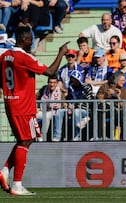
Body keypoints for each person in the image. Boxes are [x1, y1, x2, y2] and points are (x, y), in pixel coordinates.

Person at [0, 26, 68, 195]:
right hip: (23, 105)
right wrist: (61, 52)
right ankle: (16, 184)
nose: (32, 42)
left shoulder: (4, 56)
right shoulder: (24, 57)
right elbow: (51, 72)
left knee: (26, 139)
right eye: (30, 39)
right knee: (26, 141)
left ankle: (5, 171)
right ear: (23, 39)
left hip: (11, 102)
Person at [35, 75, 64, 141]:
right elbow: (35, 97)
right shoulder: (44, 88)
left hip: (55, 111)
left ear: (57, 83)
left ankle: (42, 136)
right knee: (32, 115)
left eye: (54, 82)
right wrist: (36, 107)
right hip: (43, 110)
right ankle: (31, 136)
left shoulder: (60, 91)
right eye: (50, 82)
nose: (52, 84)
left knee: (46, 116)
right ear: (48, 83)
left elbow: (64, 104)